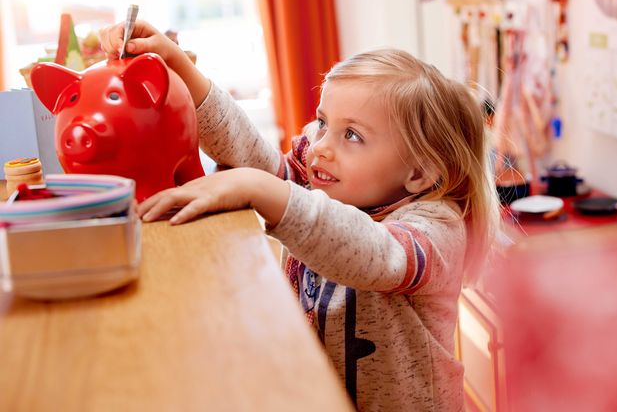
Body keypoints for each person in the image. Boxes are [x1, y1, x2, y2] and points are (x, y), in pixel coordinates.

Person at [101, 20, 501, 411]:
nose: (321, 147)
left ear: (418, 173)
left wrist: (260, 188)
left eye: (353, 135)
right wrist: (180, 69)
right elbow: (255, 159)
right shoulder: (329, 179)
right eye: (323, 123)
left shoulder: (436, 228)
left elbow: (375, 255)